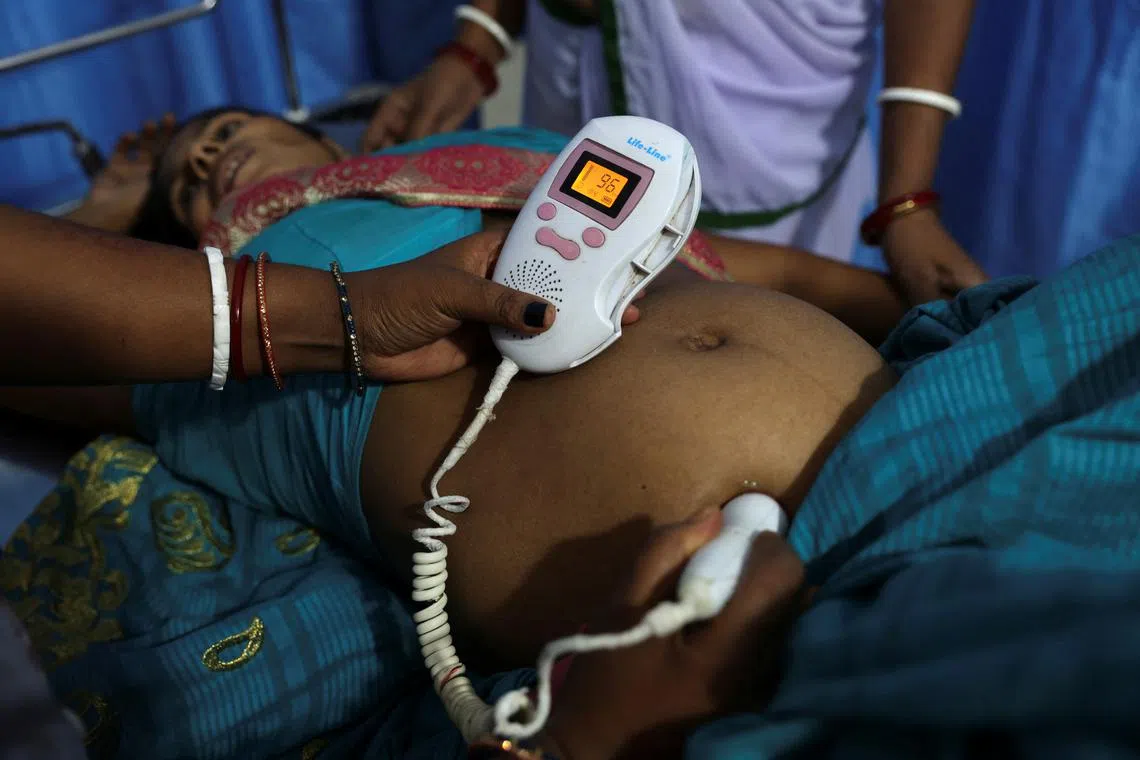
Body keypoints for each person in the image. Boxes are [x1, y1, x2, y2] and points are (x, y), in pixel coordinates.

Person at [1, 113, 896, 758]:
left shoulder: (510, 168)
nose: (202, 155)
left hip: (892, 441)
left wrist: (909, 288)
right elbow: (48, 345)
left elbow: (756, 266)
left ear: (337, 143)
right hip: (670, 636)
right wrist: (111, 209)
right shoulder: (202, 324)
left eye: (231, 127)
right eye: (187, 184)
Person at [364, 0, 989, 305]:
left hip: (755, 124)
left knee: (756, 343)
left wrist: (907, 201)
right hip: (572, 92)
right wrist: (479, 40)